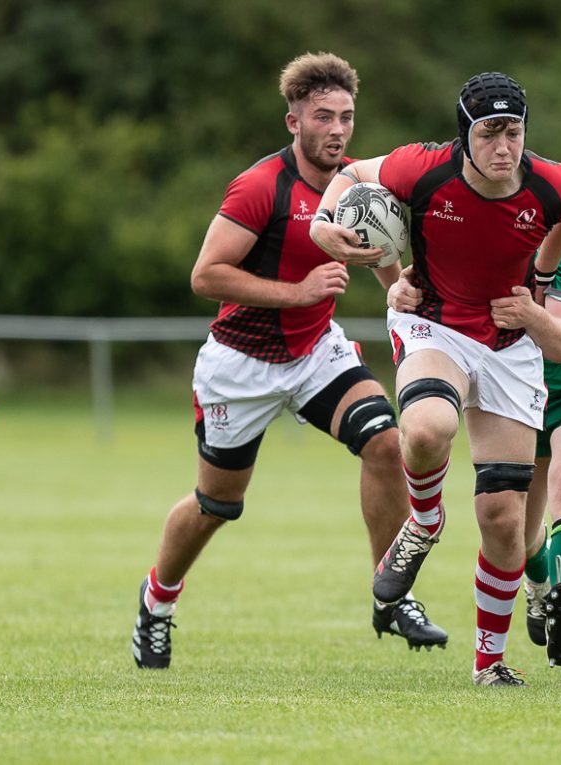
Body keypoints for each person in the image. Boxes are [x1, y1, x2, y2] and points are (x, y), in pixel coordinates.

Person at [131, 52, 447, 671]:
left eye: (346, 117)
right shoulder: (260, 188)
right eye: (323, 117)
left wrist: (396, 286)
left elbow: (378, 243)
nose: (337, 130)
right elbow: (205, 276)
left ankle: (392, 594)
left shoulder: (360, 181)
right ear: (293, 122)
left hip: (315, 353)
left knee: (387, 443)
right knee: (216, 505)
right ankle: (156, 603)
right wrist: (296, 293)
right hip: (239, 365)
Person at [311, 71, 561, 687]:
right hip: (437, 325)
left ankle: (490, 664)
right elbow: (355, 176)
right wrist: (322, 224)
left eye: (513, 132)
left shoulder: (553, 185)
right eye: (489, 133)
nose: (503, 147)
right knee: (428, 428)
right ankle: (426, 521)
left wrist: (540, 278)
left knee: (504, 520)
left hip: (511, 348)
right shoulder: (422, 168)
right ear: (465, 135)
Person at [387, 229, 561, 669]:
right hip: (516, 388)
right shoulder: (472, 234)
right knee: (516, 535)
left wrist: (528, 312)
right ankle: (541, 584)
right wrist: (401, 288)